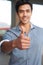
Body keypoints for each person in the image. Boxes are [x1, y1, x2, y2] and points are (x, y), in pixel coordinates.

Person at [1, 0, 43, 65]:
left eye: (27, 11)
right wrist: (14, 43)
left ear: (31, 12)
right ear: (17, 14)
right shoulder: (10, 33)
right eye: (21, 12)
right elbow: (3, 48)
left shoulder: (41, 31)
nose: (25, 15)